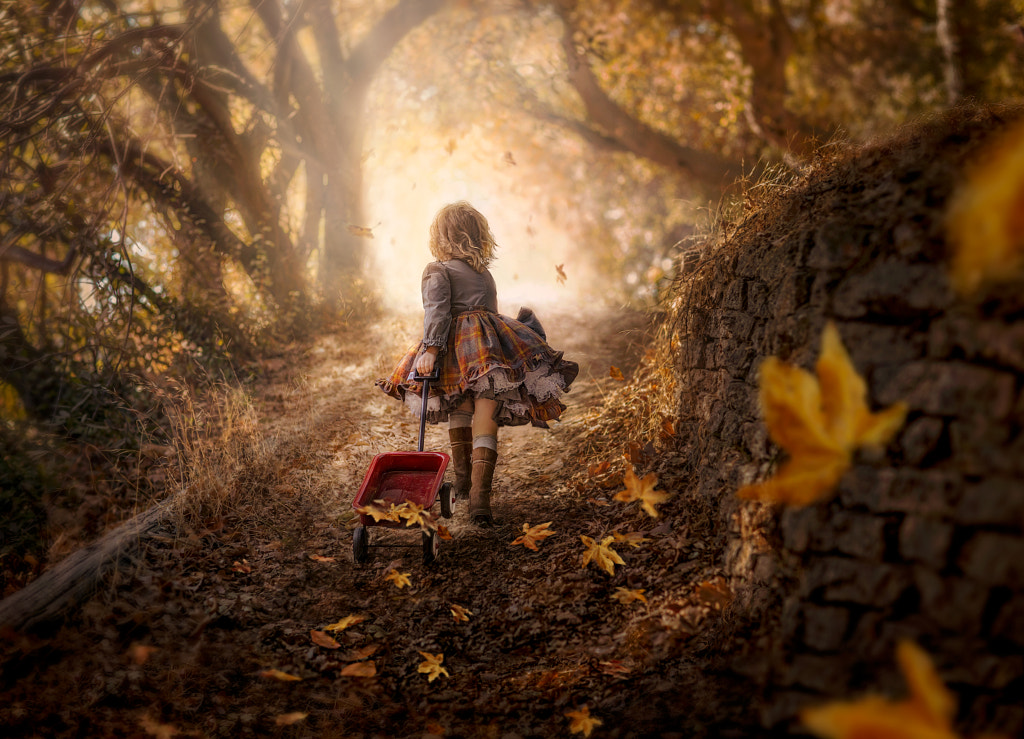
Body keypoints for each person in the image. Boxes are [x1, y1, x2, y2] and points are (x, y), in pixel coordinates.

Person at [376, 201, 579, 526]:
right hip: (488, 351)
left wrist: (430, 350)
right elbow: (489, 313)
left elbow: (438, 312)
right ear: (476, 235)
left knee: (460, 407)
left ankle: (464, 482)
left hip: (455, 348)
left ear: (442, 237)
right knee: (486, 417)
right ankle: (480, 501)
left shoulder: (437, 270)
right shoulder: (483, 273)